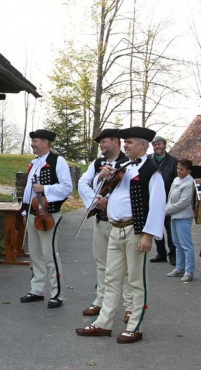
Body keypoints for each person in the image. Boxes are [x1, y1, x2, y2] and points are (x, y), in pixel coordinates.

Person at [76, 127, 166, 344]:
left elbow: (157, 204)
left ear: (143, 146)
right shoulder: (122, 166)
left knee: (135, 280)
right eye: (124, 142)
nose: (125, 145)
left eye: (130, 142)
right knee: (112, 278)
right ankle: (103, 323)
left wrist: (148, 235)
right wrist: (101, 177)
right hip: (115, 228)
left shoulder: (151, 170)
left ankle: (136, 326)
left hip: (136, 230)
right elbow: (102, 193)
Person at [78, 129, 133, 321]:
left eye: (104, 142)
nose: (101, 145)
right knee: (101, 264)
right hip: (101, 220)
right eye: (100, 143)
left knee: (124, 268)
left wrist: (108, 199)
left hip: (120, 223)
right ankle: (100, 301)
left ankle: (130, 307)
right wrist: (97, 192)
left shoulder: (129, 162)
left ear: (116, 142)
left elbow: (130, 192)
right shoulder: (97, 164)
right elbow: (83, 183)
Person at [19, 129, 73, 309]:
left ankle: (57, 293)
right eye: (32, 141)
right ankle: (37, 290)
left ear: (46, 143)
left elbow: (66, 188)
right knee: (35, 255)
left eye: (36, 141)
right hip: (33, 215)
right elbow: (29, 189)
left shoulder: (58, 161)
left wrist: (45, 188)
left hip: (48, 215)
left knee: (49, 255)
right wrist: (25, 209)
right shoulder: (34, 162)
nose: (32, 144)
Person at [165, 159, 197, 282]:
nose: (179, 171)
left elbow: (183, 202)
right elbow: (170, 197)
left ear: (188, 171)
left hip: (183, 216)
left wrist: (166, 210)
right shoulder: (176, 180)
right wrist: (167, 208)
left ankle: (189, 271)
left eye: (182, 169)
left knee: (186, 245)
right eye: (178, 168)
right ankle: (179, 267)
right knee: (177, 244)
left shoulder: (190, 182)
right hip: (174, 215)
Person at [150, 136, 178, 265]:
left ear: (165, 145)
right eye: (154, 145)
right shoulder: (149, 160)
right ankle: (161, 253)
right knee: (156, 228)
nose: (157, 147)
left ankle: (173, 254)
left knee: (170, 229)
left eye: (159, 144)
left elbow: (177, 181)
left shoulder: (173, 161)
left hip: (168, 200)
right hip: (153, 200)